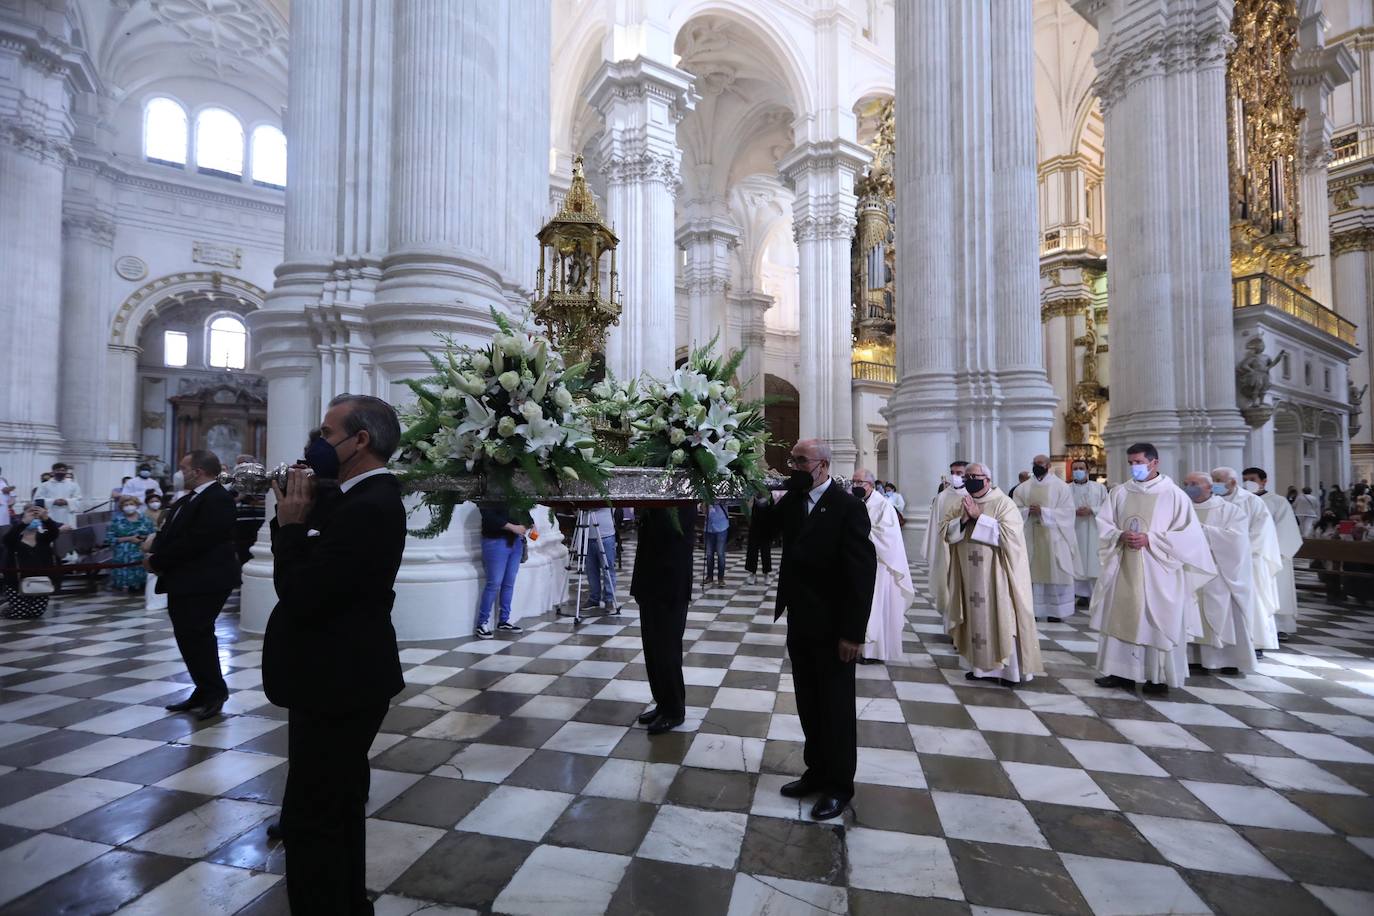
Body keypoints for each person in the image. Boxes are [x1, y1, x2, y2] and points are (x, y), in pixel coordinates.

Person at [263, 393, 406, 916]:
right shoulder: (352, 498)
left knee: (311, 820)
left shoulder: (372, 505)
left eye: (326, 434)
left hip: (339, 681)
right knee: (336, 807)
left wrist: (292, 526)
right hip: (335, 677)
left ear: (359, 440)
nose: (318, 444)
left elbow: (302, 592)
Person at [772, 439, 876, 821]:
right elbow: (764, 533)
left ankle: (838, 786)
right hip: (801, 621)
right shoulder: (795, 503)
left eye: (801, 461)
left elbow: (861, 574)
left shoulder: (848, 506)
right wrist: (761, 497)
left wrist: (853, 633)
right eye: (793, 460)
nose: (795, 466)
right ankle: (815, 771)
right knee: (808, 702)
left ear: (823, 465)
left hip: (835, 628)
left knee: (835, 708)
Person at [1091, 443, 1214, 694]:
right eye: (1131, 463)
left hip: (1159, 570)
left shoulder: (1174, 495)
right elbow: (1104, 524)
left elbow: (1190, 536)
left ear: (1154, 462)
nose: (1134, 467)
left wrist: (1151, 540)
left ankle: (1156, 677)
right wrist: (1119, 534)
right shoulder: (1120, 493)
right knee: (1121, 614)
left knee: (1155, 620)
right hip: (1124, 564)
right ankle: (1120, 673)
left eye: (1138, 462)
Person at [147, 450, 241, 720]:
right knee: (187, 636)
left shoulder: (218, 498)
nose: (180, 473)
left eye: (183, 468)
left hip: (207, 579)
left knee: (198, 634)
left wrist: (157, 562)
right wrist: (156, 552)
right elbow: (171, 534)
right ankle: (202, 689)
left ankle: (215, 692)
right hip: (185, 578)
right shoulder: (189, 499)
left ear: (197, 471)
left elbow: (200, 540)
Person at [936, 462, 1043, 686]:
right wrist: (963, 519)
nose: (968, 480)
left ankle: (1008, 672)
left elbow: (1011, 538)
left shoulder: (1005, 504)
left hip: (998, 576)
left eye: (972, 476)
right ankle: (979, 669)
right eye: (966, 477)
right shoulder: (960, 503)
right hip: (969, 574)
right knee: (975, 620)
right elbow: (945, 531)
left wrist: (979, 517)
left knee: (1002, 616)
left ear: (987, 479)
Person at [630, 504, 699, 735]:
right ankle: (662, 702)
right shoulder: (655, 498)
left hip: (670, 584)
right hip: (649, 581)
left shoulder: (683, 498)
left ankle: (674, 710)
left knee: (667, 651)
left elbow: (673, 537)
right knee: (652, 649)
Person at [1181, 472, 1255, 676]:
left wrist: (1204, 531)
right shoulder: (1181, 510)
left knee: (1219, 612)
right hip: (1188, 569)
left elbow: (1237, 541)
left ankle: (1225, 659)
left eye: (1194, 484)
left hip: (1217, 570)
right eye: (1186, 483)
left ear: (1209, 487)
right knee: (1189, 611)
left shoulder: (1228, 510)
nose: (1189, 487)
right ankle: (1192, 657)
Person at [1212, 466, 1282, 654]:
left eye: (1218, 480)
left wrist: (1237, 550)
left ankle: (1255, 642)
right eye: (1213, 480)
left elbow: (1261, 532)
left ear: (1233, 482)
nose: (1214, 484)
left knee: (1252, 601)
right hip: (1218, 559)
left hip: (1247, 559)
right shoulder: (1211, 501)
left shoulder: (1252, 502)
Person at [851, 467, 914, 663]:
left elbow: (886, 537)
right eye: (853, 482)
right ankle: (862, 649)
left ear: (870, 485)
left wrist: (857, 531)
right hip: (863, 564)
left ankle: (875, 652)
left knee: (876, 607)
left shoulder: (883, 505)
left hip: (880, 566)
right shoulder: (860, 502)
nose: (855, 486)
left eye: (859, 482)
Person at [1013, 455, 1083, 622]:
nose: (1037, 466)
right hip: (1031, 535)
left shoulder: (1060, 487)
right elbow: (1015, 509)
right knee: (1031, 575)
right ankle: (1034, 610)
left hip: (1054, 538)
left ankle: (1056, 612)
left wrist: (1044, 512)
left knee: (1056, 572)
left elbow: (1067, 512)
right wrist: (1026, 511)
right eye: (1035, 463)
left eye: (1041, 463)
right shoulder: (1023, 488)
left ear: (1049, 465)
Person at [1244, 467, 1303, 640]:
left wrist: (1269, 548)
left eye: (1252, 479)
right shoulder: (1241, 500)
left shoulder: (1277, 501)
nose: (1249, 483)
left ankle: (1280, 627)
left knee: (1276, 590)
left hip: (1272, 554)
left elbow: (1286, 528)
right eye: (1245, 479)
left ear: (1264, 481)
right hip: (1247, 554)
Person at [923, 460, 969, 628]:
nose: (955, 476)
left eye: (959, 473)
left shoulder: (974, 495)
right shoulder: (942, 497)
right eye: (953, 472)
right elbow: (935, 526)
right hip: (946, 551)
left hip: (969, 552)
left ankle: (967, 630)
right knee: (949, 589)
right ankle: (952, 629)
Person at [475, 500, 530, 637]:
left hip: (516, 541)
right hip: (496, 541)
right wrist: (513, 527)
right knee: (494, 583)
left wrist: (530, 524)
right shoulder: (489, 492)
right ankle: (482, 623)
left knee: (509, 583)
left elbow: (525, 511)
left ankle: (504, 620)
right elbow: (489, 517)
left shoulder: (516, 493)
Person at [2, 505, 61, 619]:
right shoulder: (14, 540)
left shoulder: (43, 538)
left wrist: (45, 518)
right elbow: (7, 539)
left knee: (36, 613)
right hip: (17, 582)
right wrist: (24, 522)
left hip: (40, 581)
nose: (33, 520)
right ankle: (5, 608)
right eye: (30, 517)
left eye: (35, 518)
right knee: (20, 614)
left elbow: (55, 532)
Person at [1069, 459, 1108, 608]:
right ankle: (1077, 595)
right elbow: (1060, 509)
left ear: (1087, 470)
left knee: (1092, 563)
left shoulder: (1099, 488)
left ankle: (1093, 596)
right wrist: (1073, 512)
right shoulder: (1065, 489)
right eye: (1075, 468)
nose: (1077, 471)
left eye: (1080, 468)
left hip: (1093, 529)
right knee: (1075, 563)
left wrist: (1092, 510)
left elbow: (1107, 507)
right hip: (1074, 529)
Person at [107, 496, 156, 593]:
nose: (129, 507)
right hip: (123, 555)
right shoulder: (117, 521)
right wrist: (129, 538)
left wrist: (143, 539)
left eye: (131, 504)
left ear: (137, 505)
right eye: (126, 505)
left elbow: (152, 535)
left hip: (141, 552)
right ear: (121, 507)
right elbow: (109, 539)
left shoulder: (145, 520)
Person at [584, 506, 617, 611]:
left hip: (606, 534)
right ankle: (594, 597)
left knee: (608, 569)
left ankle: (609, 599)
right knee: (591, 570)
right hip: (587, 535)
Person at [34, 462, 82, 527]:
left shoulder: (73, 485)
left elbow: (79, 499)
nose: (60, 472)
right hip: (50, 514)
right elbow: (38, 499)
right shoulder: (44, 485)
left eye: (63, 470)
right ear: (53, 472)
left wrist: (67, 501)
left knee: (67, 533)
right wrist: (53, 501)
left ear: (66, 472)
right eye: (58, 470)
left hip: (68, 514)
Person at [744, 491, 774, 585]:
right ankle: (752, 573)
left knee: (766, 552)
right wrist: (752, 498)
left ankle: (766, 574)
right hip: (754, 528)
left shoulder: (770, 498)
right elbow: (748, 510)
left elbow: (773, 511)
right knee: (752, 552)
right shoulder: (753, 495)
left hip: (766, 529)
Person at [703, 501, 729, 584]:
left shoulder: (722, 497)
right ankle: (709, 576)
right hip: (709, 527)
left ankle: (720, 578)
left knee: (720, 553)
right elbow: (702, 509)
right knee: (709, 554)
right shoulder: (705, 496)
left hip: (721, 526)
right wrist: (704, 505)